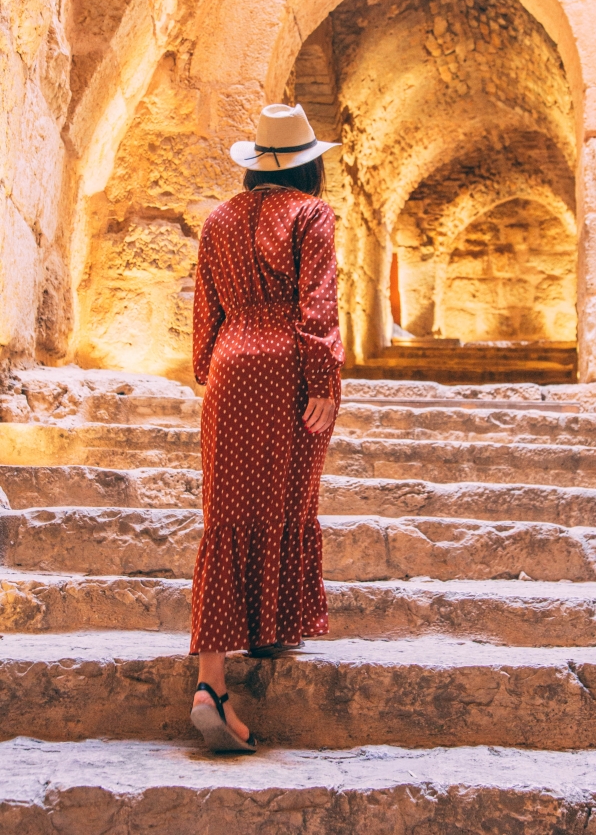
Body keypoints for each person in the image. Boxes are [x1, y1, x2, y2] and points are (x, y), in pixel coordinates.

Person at [189, 103, 344, 753]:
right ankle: (273, 620)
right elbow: (318, 302)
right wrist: (323, 378)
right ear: (309, 163)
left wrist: (210, 368)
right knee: (286, 499)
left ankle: (211, 683)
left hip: (231, 363)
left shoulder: (218, 219)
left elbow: (205, 311)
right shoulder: (312, 215)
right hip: (286, 363)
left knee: (224, 511)